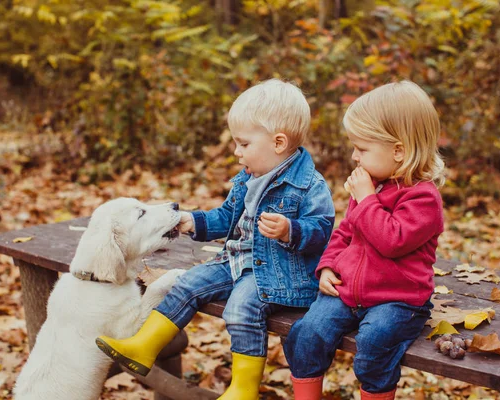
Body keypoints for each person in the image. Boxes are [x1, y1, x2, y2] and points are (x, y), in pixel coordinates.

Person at [95, 78, 335, 399]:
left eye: (243, 144)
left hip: (276, 276)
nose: (236, 152)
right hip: (234, 261)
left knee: (240, 308)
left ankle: (244, 388)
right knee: (187, 284)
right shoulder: (247, 178)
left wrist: (291, 231)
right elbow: (225, 218)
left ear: (278, 143)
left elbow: (322, 231)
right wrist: (190, 220)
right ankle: (144, 346)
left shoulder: (308, 185)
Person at [283, 80, 446, 400]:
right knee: (306, 334)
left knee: (374, 344)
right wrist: (328, 266)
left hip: (398, 299)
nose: (355, 157)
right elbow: (346, 232)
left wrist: (367, 198)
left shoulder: (424, 199)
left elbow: (393, 240)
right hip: (349, 291)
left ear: (398, 150)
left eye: (363, 148)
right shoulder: (372, 187)